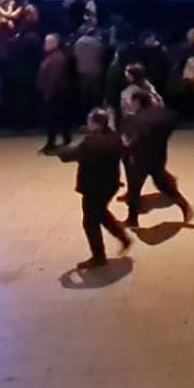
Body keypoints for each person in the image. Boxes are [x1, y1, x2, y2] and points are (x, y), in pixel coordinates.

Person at [57, 109, 132, 269]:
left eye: (90, 121)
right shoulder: (115, 137)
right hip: (110, 184)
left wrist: (62, 149)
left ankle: (99, 257)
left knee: (90, 221)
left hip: (93, 187)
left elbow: (68, 156)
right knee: (101, 213)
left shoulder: (90, 143)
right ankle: (122, 237)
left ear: (96, 124)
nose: (88, 124)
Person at [122, 103, 194, 229]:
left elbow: (136, 140)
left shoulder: (139, 119)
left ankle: (132, 220)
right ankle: (184, 206)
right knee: (162, 185)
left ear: (138, 102)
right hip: (158, 157)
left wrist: (126, 148)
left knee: (134, 188)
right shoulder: (160, 115)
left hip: (141, 159)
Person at [36, 33, 78, 152]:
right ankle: (63, 140)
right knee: (59, 118)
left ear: (55, 43)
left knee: (53, 118)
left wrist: (48, 92)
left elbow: (54, 77)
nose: (45, 44)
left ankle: (53, 143)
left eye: (48, 42)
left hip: (55, 93)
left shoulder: (56, 58)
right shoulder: (53, 56)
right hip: (56, 93)